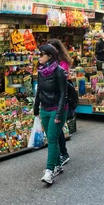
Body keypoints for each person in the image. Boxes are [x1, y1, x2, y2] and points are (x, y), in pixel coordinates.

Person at [34, 44, 68, 185]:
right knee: (50, 137)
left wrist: (59, 114)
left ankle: (49, 172)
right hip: (45, 109)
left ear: (49, 56)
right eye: (39, 54)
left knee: (52, 139)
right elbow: (39, 91)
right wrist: (36, 107)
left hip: (57, 109)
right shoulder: (41, 71)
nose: (39, 57)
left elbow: (63, 94)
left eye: (41, 54)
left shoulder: (59, 71)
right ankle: (58, 164)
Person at [47, 39, 72, 166]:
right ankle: (60, 154)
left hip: (60, 100)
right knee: (56, 131)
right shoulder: (49, 62)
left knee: (57, 130)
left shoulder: (63, 63)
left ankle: (63, 154)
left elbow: (62, 80)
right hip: (50, 100)